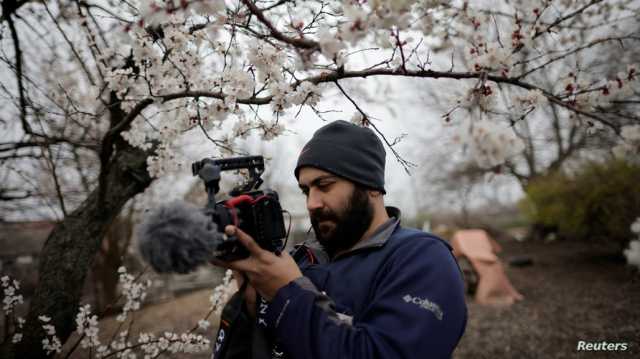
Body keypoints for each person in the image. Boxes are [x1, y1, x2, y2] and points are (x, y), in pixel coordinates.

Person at [212, 120, 467, 359]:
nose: (312, 203)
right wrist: (249, 308)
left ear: (372, 186)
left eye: (324, 185)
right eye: (306, 190)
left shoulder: (422, 259)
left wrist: (288, 295)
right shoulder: (301, 261)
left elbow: (380, 351)